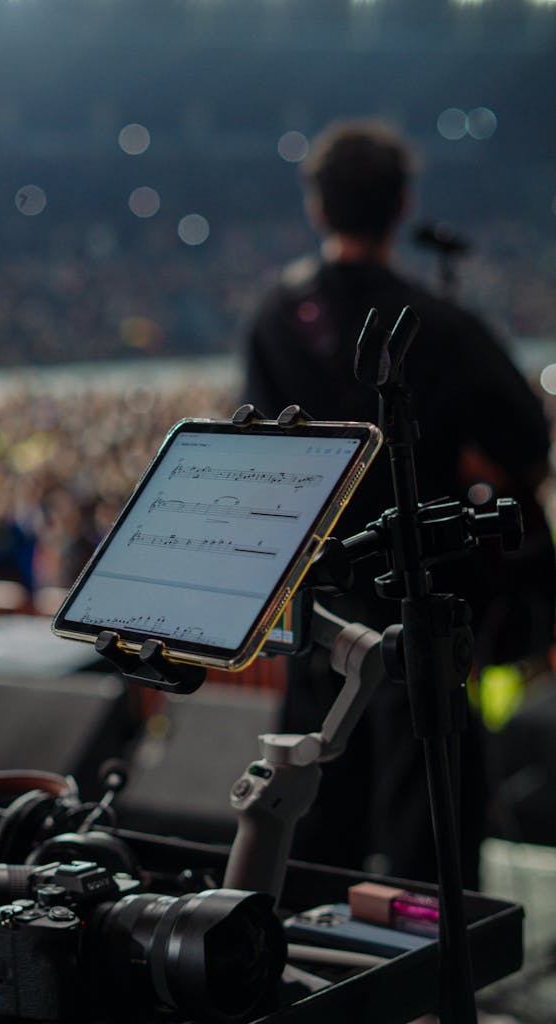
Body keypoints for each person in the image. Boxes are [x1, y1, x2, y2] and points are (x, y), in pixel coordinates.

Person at [243, 118, 555, 888]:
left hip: (314, 605)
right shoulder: (440, 324)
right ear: (404, 204)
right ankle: (425, 977)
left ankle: (316, 970)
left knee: (316, 795)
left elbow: (260, 461)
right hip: (423, 600)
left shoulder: (273, 321)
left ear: (318, 208)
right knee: (429, 808)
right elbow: (525, 444)